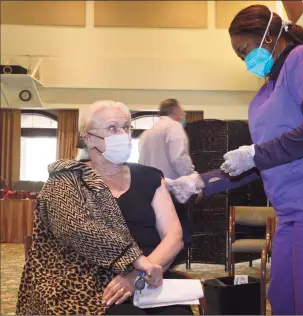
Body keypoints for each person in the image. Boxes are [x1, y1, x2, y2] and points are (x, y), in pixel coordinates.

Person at [165, 5, 303, 315]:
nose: (245, 61)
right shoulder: (263, 96)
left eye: (246, 51)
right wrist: (202, 182)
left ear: (269, 36)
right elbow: (263, 159)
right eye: (240, 58)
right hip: (294, 209)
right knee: (282, 298)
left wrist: (254, 154)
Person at [16, 100, 192, 315]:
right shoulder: (66, 179)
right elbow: (77, 228)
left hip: (150, 278)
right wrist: (139, 263)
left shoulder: (150, 176)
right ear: (88, 138)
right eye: (112, 128)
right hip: (88, 282)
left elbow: (174, 236)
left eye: (126, 127)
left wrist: (137, 275)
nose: (122, 134)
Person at [138, 98, 195, 265]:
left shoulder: (147, 133)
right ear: (174, 112)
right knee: (176, 238)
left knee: (156, 238)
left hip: (148, 192)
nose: (183, 117)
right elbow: (179, 159)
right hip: (172, 192)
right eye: (183, 113)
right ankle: (172, 271)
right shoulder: (173, 127)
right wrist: (193, 183)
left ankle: (158, 270)